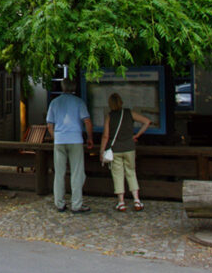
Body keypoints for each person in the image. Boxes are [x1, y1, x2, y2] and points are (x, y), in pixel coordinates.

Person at [46, 78, 94, 213]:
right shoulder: (79, 102)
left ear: (62, 87)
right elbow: (87, 121)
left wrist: (56, 137)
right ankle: (77, 204)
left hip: (59, 140)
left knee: (59, 173)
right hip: (75, 139)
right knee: (77, 172)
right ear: (74, 88)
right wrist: (89, 138)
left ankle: (59, 203)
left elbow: (49, 125)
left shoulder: (54, 103)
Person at [99, 92, 151, 212]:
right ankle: (136, 200)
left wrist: (102, 150)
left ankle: (121, 202)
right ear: (121, 102)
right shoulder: (129, 113)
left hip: (115, 149)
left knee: (118, 175)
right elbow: (147, 121)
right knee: (131, 172)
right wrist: (137, 134)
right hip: (129, 148)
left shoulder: (110, 116)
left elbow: (106, 136)